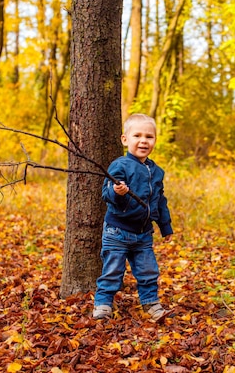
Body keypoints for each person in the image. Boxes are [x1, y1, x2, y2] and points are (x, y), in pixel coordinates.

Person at [93, 113, 173, 322]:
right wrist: (117, 193)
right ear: (125, 139)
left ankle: (151, 304)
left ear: (155, 140)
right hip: (117, 231)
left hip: (143, 233)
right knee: (112, 271)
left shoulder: (156, 171)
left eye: (149, 136)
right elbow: (107, 193)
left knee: (148, 271)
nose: (143, 141)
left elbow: (159, 201)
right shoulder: (120, 165)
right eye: (137, 135)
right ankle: (102, 304)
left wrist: (165, 227)